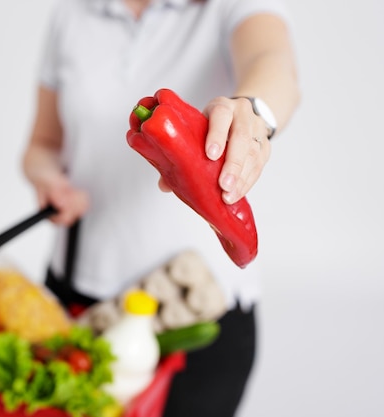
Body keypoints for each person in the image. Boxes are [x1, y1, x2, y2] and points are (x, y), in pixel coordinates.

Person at [21, 0, 300, 416]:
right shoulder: (73, 15)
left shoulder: (228, 7)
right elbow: (42, 145)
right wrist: (49, 179)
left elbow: (274, 63)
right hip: (77, 304)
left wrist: (254, 113)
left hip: (197, 315)